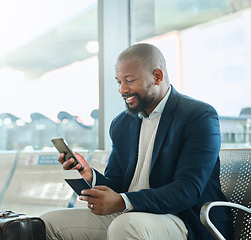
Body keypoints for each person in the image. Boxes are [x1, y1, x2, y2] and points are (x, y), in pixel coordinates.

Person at [40, 43, 234, 240]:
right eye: (118, 82)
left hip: (184, 218)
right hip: (131, 215)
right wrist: (88, 174)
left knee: (125, 226)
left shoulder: (198, 116)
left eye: (129, 80)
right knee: (49, 222)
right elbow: (117, 184)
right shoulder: (122, 123)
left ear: (157, 77)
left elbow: (187, 190)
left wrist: (124, 202)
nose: (122, 89)